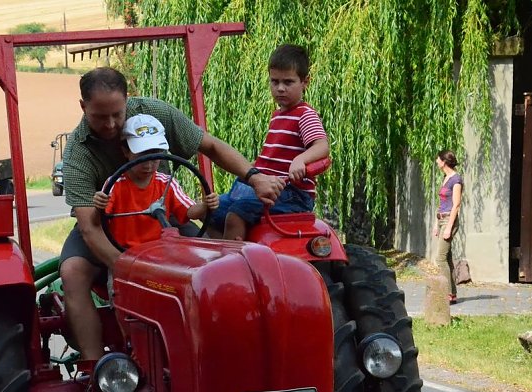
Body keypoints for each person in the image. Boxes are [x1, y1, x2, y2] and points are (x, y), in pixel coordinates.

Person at [59, 66, 284, 363]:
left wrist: (255, 179)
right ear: (83, 106)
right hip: (109, 225)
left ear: (128, 99)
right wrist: (131, 269)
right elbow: (90, 227)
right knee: (72, 272)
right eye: (100, 117)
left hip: (163, 220)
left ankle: (225, 351)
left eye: (117, 113)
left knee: (217, 263)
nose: (112, 124)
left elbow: (211, 146)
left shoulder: (154, 115)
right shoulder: (78, 153)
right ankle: (98, 371)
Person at [208, 44, 330, 240]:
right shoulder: (277, 116)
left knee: (236, 214)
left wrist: (300, 160)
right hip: (269, 188)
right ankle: (219, 253)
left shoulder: (305, 115)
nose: (280, 88)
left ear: (305, 82)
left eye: (288, 82)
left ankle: (236, 262)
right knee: (213, 210)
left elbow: (322, 145)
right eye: (275, 82)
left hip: (291, 193)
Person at [92, 114, 219, 250]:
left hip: (161, 253)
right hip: (126, 254)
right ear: (125, 151)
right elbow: (98, 221)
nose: (148, 165)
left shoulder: (166, 183)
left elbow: (189, 211)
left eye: (154, 156)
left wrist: (205, 205)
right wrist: (99, 206)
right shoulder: (114, 185)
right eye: (141, 155)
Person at [432, 150, 463, 304]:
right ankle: (452, 293)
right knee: (448, 259)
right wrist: (436, 224)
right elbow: (441, 203)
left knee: (440, 258)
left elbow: (456, 205)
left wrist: (448, 228)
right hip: (441, 220)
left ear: (444, 161)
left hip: (449, 221)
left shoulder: (456, 180)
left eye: (438, 159)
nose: (436, 161)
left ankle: (447, 293)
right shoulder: (446, 178)